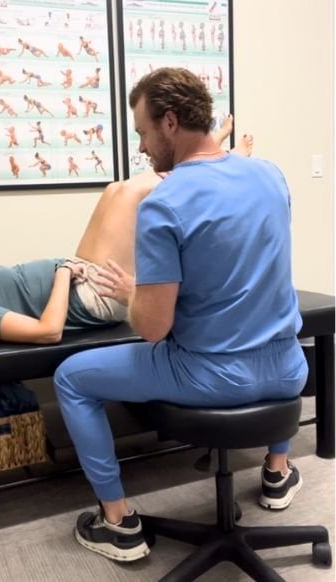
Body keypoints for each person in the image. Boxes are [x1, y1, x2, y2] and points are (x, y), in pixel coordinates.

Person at [53, 67, 300, 565]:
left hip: (212, 378)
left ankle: (118, 522)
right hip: (288, 369)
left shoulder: (165, 203)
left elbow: (153, 328)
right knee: (269, 336)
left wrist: (132, 293)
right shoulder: (271, 175)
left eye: (142, 131)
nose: (142, 146)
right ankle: (277, 470)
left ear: (169, 123)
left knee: (71, 377)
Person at [0, 111, 249, 344]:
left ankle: (211, 157)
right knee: (133, 191)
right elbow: (48, 332)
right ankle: (221, 161)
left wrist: (68, 271)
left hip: (85, 279)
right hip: (96, 295)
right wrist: (63, 274)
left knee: (116, 190)